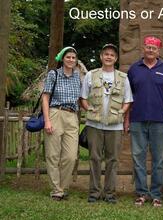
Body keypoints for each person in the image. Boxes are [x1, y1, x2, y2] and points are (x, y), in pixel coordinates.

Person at [127, 36, 163, 207]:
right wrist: (126, 119)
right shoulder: (134, 69)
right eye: (148, 47)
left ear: (159, 51)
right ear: (143, 48)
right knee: (138, 157)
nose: (150, 50)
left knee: (158, 159)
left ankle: (156, 194)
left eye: (153, 48)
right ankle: (141, 193)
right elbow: (128, 97)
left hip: (159, 121)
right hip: (137, 119)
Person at [80, 43, 133, 203]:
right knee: (94, 158)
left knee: (113, 159)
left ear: (115, 58)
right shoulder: (91, 75)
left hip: (115, 126)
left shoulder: (123, 78)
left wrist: (122, 113)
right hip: (94, 125)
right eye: (106, 54)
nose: (108, 57)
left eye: (112, 55)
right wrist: (90, 110)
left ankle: (110, 193)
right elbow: (83, 98)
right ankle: (94, 192)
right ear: (101, 57)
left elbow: (128, 100)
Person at [42, 46, 81, 201]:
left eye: (73, 57)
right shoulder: (54, 75)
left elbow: (82, 98)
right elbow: (45, 97)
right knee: (52, 155)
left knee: (71, 156)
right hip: (55, 113)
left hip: (72, 116)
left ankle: (64, 187)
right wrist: (47, 120)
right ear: (62, 59)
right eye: (68, 57)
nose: (71, 60)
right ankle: (56, 190)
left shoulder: (78, 77)